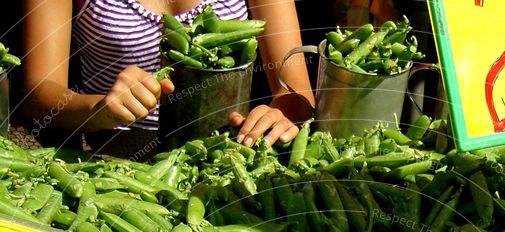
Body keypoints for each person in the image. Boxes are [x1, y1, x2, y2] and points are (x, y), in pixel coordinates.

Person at [22, 0, 315, 149]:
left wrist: (280, 115)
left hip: (222, 154)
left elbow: (295, 91)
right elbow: (38, 93)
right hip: (105, 156)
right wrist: (98, 109)